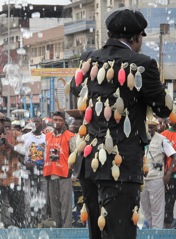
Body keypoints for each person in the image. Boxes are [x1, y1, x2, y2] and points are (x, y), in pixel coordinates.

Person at [70, 9, 172, 239]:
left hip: (88, 163)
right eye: (140, 39)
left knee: (97, 233)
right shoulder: (143, 63)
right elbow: (163, 108)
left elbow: (77, 89)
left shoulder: (89, 58)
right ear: (136, 37)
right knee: (120, 233)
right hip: (121, 164)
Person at [0, 112, 25, 228]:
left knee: (18, 211)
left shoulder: (16, 135)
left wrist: (8, 144)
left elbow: (22, 154)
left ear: (3, 124)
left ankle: (19, 232)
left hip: (14, 179)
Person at [141, 118, 176, 228]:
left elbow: (174, 156)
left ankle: (156, 235)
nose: (150, 129)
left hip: (156, 180)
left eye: (152, 127)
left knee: (157, 212)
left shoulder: (162, 139)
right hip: (142, 181)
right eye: (148, 127)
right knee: (146, 212)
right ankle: (148, 234)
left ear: (156, 128)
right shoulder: (140, 138)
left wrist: (168, 174)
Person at [43, 111, 74, 228]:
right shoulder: (47, 136)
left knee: (66, 205)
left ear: (64, 122)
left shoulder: (70, 136)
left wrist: (72, 169)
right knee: (54, 206)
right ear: (52, 121)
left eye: (60, 120)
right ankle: (57, 230)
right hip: (51, 173)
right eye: (55, 120)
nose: (57, 122)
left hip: (64, 174)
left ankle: (67, 231)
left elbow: (75, 154)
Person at [21, 117, 48, 227]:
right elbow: (18, 155)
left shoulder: (46, 138)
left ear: (42, 124)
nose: (36, 124)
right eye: (34, 122)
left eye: (38, 122)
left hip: (42, 173)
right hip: (28, 173)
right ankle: (28, 222)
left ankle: (42, 222)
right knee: (27, 199)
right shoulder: (25, 138)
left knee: (43, 198)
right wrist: (26, 164)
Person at [161, 115, 176, 228]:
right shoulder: (164, 136)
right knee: (168, 204)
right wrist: (165, 173)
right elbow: (161, 157)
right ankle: (167, 231)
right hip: (170, 176)